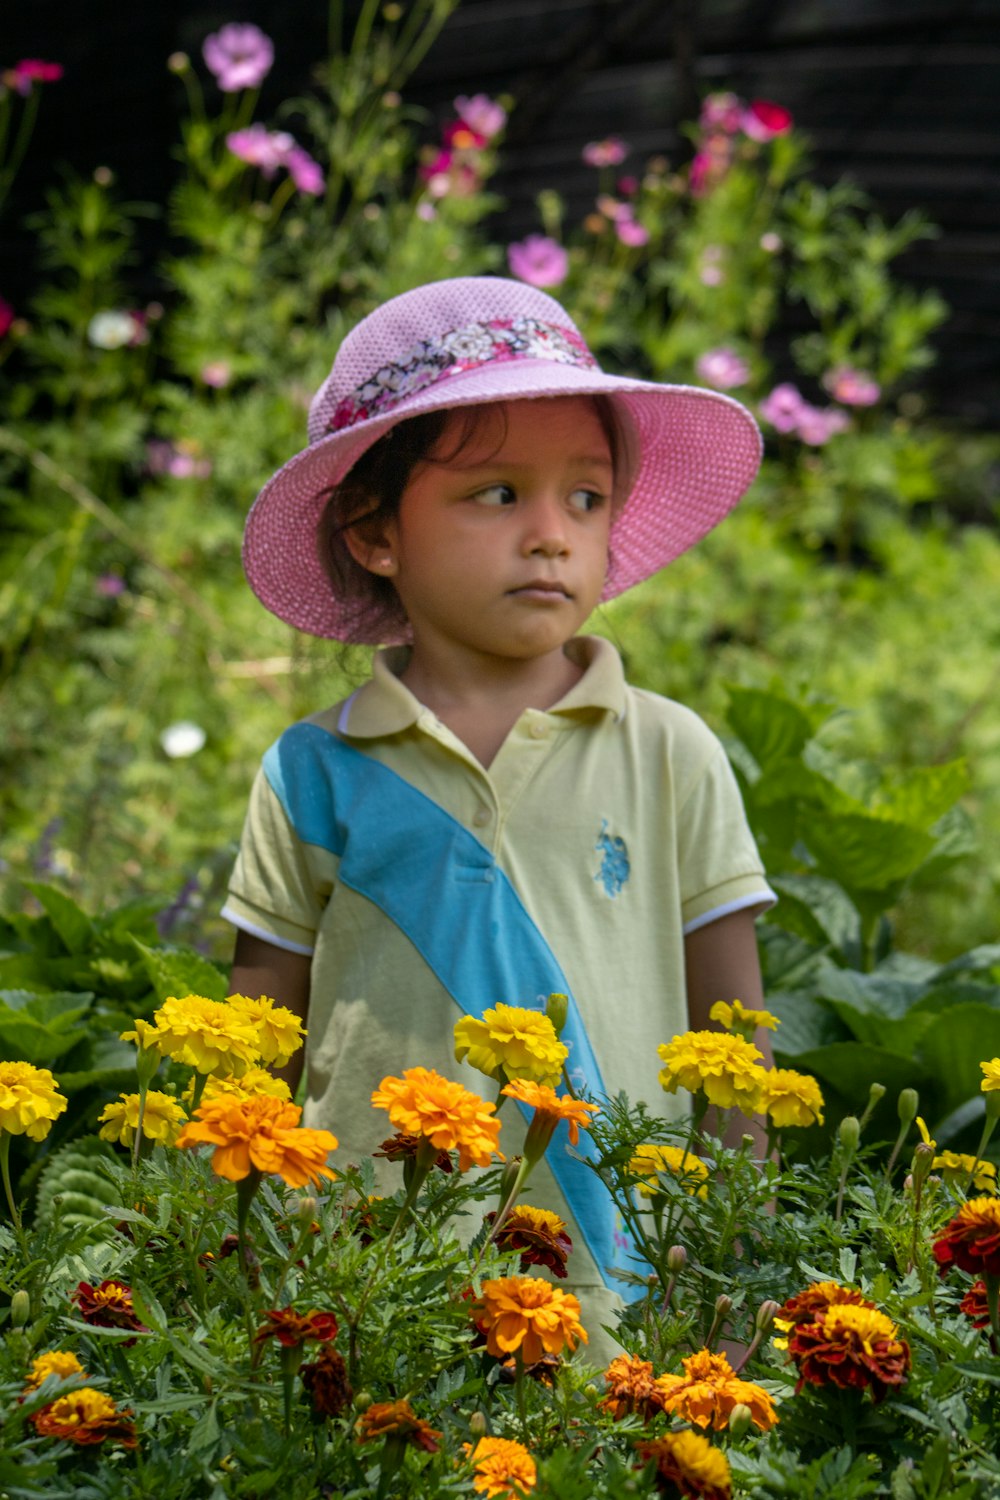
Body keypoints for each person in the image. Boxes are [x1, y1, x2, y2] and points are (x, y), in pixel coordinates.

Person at [223, 275, 776, 1346]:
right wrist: (243, 1257)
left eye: (584, 497)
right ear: (375, 532)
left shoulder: (670, 752)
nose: (551, 536)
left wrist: (729, 1268)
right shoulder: (312, 774)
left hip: (622, 1297)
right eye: (496, 494)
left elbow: (735, 1048)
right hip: (367, 1286)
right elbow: (256, 1050)